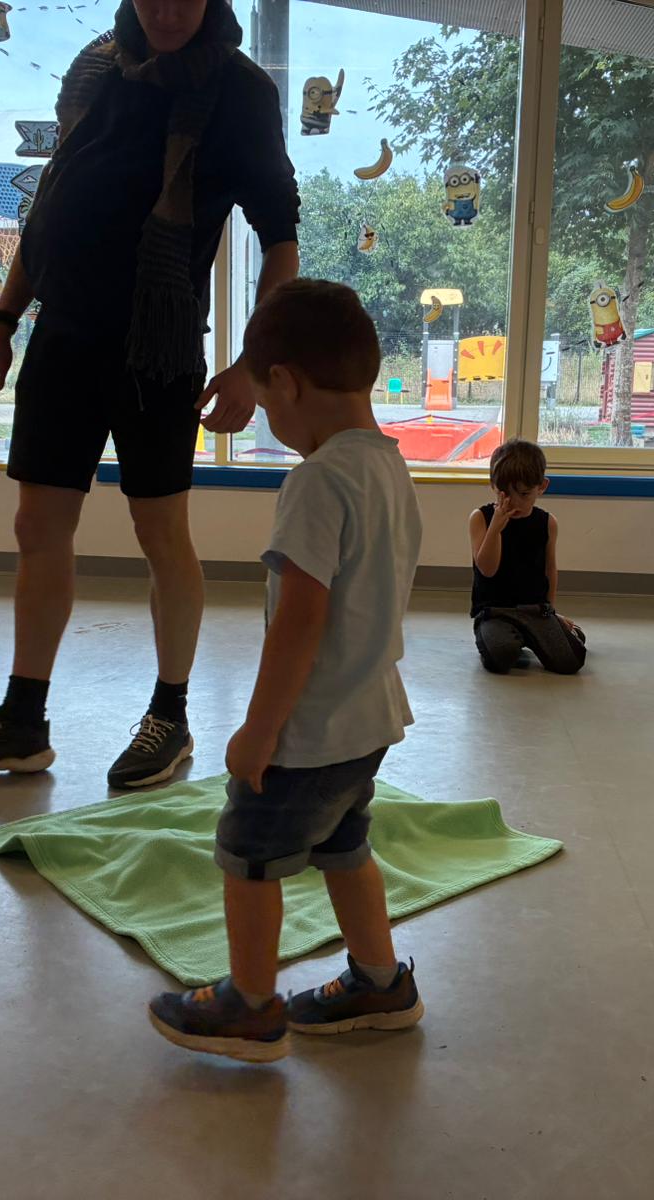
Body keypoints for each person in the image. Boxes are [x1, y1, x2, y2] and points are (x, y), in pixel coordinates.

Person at [0, 0, 300, 785]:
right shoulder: (98, 69)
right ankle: (23, 720)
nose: (167, 10)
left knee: (161, 532)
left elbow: (280, 236)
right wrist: (1, 322)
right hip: (64, 337)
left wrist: (252, 365)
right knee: (37, 525)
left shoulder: (240, 90)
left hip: (158, 348)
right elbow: (51, 209)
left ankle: (170, 717)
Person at [147, 281, 424, 1063]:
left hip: (310, 732)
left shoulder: (318, 480)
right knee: (345, 846)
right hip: (369, 718)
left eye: (266, 402)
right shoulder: (389, 467)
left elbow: (302, 620)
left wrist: (259, 729)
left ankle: (251, 1004)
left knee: (248, 854)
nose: (270, 416)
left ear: (287, 383)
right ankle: (381, 983)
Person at [467, 438, 585, 675]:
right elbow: (487, 569)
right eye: (505, 494)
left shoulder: (547, 522)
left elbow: (550, 569)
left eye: (524, 494)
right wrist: (495, 529)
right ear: (493, 486)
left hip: (535, 610)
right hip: (495, 612)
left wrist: (550, 611)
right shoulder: (481, 518)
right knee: (501, 656)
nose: (514, 503)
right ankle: (515, 638)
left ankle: (544, 629)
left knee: (571, 660)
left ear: (541, 486)